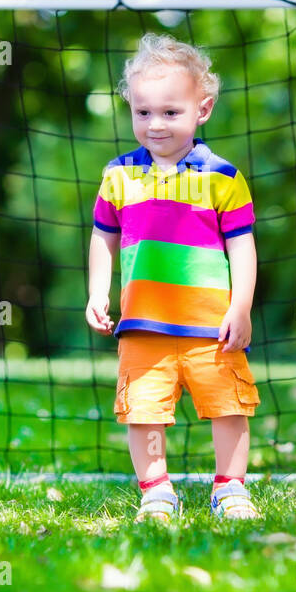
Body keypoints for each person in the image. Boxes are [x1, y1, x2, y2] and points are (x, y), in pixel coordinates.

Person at [86, 33, 262, 520]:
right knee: (142, 410)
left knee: (229, 406)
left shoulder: (222, 178)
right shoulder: (118, 176)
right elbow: (102, 237)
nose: (155, 124)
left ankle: (230, 488)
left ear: (202, 109)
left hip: (212, 327)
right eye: (143, 112)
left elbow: (242, 246)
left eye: (170, 112)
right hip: (143, 324)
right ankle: (156, 490)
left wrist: (240, 307)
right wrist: (97, 292)